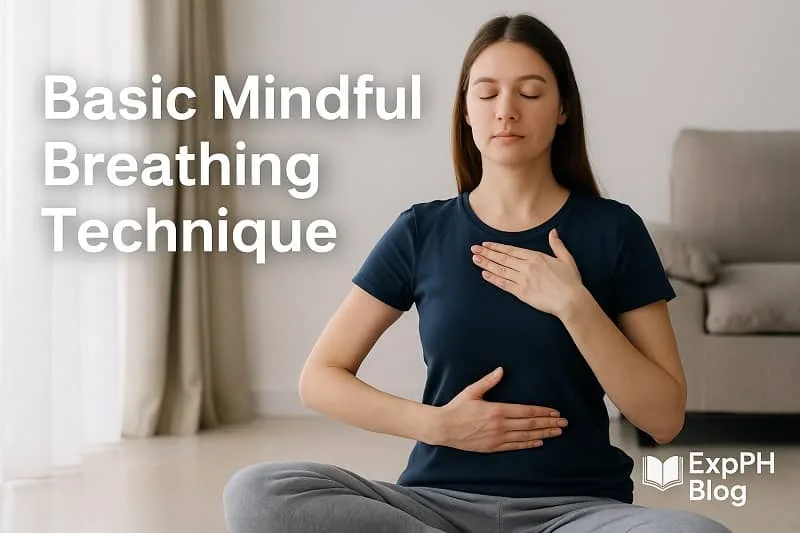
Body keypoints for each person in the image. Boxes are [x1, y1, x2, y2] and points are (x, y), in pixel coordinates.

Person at [223, 13, 732, 533]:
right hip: (435, 508)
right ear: (466, 110)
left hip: (576, 512)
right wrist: (439, 425)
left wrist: (575, 307)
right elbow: (320, 379)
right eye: (486, 94)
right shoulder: (422, 230)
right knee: (258, 492)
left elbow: (664, 419)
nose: (506, 111)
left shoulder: (614, 230)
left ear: (562, 110)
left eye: (530, 93)